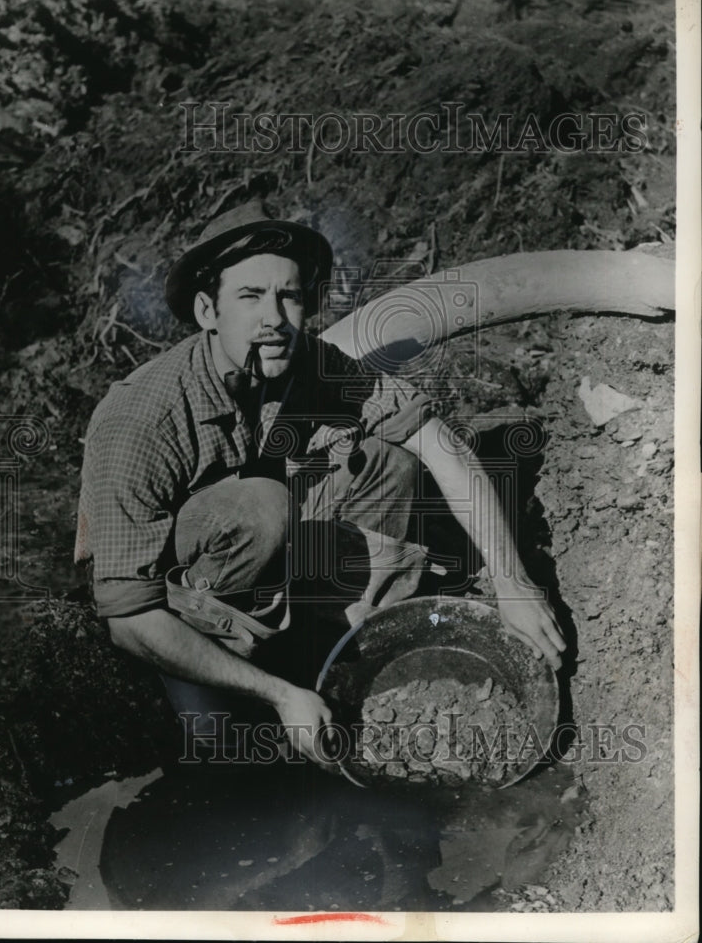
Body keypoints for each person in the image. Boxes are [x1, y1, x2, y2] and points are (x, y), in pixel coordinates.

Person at [75, 200, 565, 767]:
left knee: (387, 460)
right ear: (208, 310)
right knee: (217, 750)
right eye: (250, 297)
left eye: (288, 296)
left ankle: (346, 655)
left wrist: (511, 579)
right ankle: (255, 679)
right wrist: (276, 695)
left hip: (261, 563)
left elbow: (435, 439)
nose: (274, 319)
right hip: (170, 605)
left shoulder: (307, 360)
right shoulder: (141, 419)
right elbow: (128, 619)